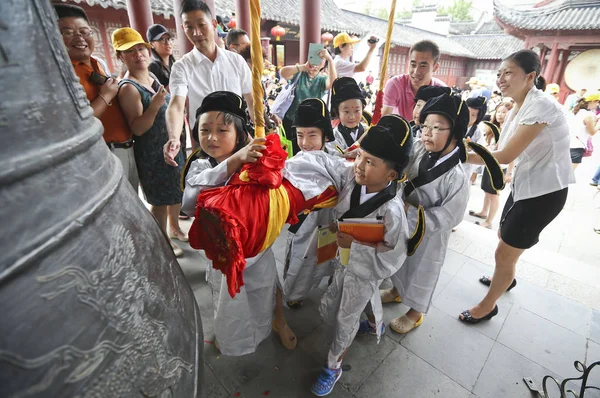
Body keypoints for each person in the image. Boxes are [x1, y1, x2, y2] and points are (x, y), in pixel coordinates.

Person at [460, 50, 575, 324]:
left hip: (545, 193)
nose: (501, 78)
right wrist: (466, 147)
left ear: (530, 76)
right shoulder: (517, 106)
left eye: (508, 72)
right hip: (525, 185)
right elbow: (499, 148)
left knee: (505, 250)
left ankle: (488, 305)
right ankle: (505, 276)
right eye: (499, 73)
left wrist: (455, 154)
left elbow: (505, 156)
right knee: (505, 237)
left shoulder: (541, 105)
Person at [303, 115, 414, 396]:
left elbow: (392, 257)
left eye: (370, 162)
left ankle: (333, 366)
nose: (360, 167)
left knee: (345, 319)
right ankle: (373, 323)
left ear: (391, 174)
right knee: (344, 302)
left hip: (365, 270)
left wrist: (355, 245)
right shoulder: (352, 183)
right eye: (360, 157)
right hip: (343, 261)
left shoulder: (392, 211)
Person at [181, 91, 296, 354]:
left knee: (266, 286)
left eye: (222, 130)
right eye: (205, 129)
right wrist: (232, 163)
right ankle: (233, 335)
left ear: (240, 133)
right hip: (223, 252)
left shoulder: (255, 163)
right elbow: (189, 203)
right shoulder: (200, 166)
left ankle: (278, 319)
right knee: (227, 297)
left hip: (257, 248)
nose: (212, 137)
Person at [379, 93, 471, 333]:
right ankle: (397, 291)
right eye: (425, 126)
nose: (427, 132)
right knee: (400, 261)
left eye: (437, 128)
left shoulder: (457, 176)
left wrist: (413, 213)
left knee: (423, 271)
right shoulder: (419, 147)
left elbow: (451, 216)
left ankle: (415, 312)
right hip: (404, 220)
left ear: (455, 132)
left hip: (429, 235)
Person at [114, 28, 187, 258]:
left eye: (140, 49)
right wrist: (155, 104)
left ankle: (175, 229)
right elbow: (137, 128)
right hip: (152, 152)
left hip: (171, 144)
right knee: (159, 200)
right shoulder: (128, 87)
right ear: (120, 57)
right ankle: (162, 240)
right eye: (130, 52)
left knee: (177, 190)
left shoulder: (151, 76)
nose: (138, 55)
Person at [54, 4, 138, 190]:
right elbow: (79, 122)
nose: (80, 38)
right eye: (67, 32)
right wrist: (106, 96)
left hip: (127, 148)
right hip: (104, 153)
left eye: (85, 31)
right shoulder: (64, 74)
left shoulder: (96, 63)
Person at [163, 0, 254, 167]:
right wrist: (174, 137)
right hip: (205, 142)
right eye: (189, 27)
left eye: (201, 25)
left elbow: (251, 98)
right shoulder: (181, 67)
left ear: (213, 24)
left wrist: (260, 125)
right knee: (211, 185)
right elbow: (176, 104)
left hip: (236, 137)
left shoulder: (236, 61)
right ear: (183, 29)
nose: (196, 32)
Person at [282, 99, 336, 308]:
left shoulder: (335, 160)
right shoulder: (293, 163)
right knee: (300, 257)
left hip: (328, 218)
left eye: (312, 135)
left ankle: (327, 281)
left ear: (324, 135)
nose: (305, 143)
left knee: (326, 253)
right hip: (304, 221)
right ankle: (295, 294)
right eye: (299, 135)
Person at [278, 48, 337, 154]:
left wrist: (331, 60)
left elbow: (333, 84)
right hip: (291, 120)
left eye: (322, 59)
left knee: (307, 150)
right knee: (291, 149)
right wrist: (303, 67)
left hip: (310, 123)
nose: (317, 62)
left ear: (324, 63)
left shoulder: (321, 80)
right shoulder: (299, 74)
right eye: (314, 57)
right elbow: (283, 72)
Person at [381, 40, 446, 120]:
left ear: (435, 67)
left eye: (423, 66)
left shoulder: (442, 91)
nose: (416, 71)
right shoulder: (395, 84)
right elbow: (384, 119)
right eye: (413, 65)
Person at [330, 77, 368, 151]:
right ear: (337, 112)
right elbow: (337, 156)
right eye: (346, 112)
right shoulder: (333, 137)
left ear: (362, 108)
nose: (352, 117)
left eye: (357, 111)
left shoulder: (368, 131)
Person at [569, 93, 600, 169]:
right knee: (567, 176)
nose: (597, 105)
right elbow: (592, 132)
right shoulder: (588, 115)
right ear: (593, 101)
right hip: (576, 148)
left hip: (567, 144)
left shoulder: (575, 110)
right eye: (598, 102)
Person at [465, 96, 488, 185]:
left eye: (473, 115)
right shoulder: (452, 126)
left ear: (478, 117)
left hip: (465, 170)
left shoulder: (477, 133)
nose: (468, 116)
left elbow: (480, 155)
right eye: (466, 112)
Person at [146, 24, 176, 88]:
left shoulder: (173, 63)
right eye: (162, 40)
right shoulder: (153, 67)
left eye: (169, 39)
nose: (168, 43)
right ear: (151, 44)